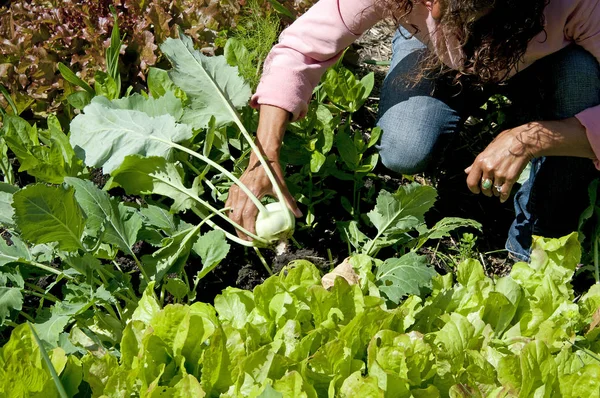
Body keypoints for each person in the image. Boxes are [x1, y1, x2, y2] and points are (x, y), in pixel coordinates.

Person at [226, 0, 600, 261]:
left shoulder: (577, 4)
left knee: (581, 80)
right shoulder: (423, 5)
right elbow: (301, 49)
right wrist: (265, 156)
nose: (433, 10)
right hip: (438, 57)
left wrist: (530, 138)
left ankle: (538, 239)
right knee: (403, 145)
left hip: (549, 60)